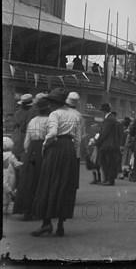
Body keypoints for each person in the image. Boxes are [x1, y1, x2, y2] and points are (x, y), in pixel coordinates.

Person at [31, 88, 81, 237]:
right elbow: (78, 139)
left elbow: (52, 133)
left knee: (48, 183)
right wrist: (73, 151)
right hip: (69, 150)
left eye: (51, 102)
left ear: (54, 103)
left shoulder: (55, 114)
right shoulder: (74, 116)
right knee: (64, 184)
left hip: (56, 148)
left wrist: (45, 145)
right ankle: (60, 224)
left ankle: (46, 223)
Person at [13, 97, 51, 220]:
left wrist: (28, 152)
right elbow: (51, 138)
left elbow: (26, 143)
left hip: (31, 151)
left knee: (29, 180)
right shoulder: (50, 121)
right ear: (47, 109)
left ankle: (26, 210)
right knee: (42, 180)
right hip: (44, 150)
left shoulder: (32, 121)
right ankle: (40, 211)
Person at [95, 103, 120, 186]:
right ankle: (107, 179)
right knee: (108, 162)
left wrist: (97, 142)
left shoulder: (108, 119)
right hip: (111, 145)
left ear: (104, 111)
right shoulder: (111, 118)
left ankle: (109, 180)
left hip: (107, 145)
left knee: (107, 163)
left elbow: (104, 133)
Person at [65, 92, 86, 189]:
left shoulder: (60, 112)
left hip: (60, 146)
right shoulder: (79, 115)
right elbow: (81, 135)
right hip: (74, 148)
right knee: (72, 172)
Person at [3, 137, 23, 214]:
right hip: (9, 174)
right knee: (7, 193)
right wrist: (23, 164)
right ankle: (5, 208)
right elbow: (16, 164)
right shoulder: (11, 155)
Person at [12, 94, 34, 161]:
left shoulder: (17, 113)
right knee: (24, 156)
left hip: (16, 134)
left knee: (15, 155)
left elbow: (14, 125)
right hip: (25, 135)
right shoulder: (30, 114)